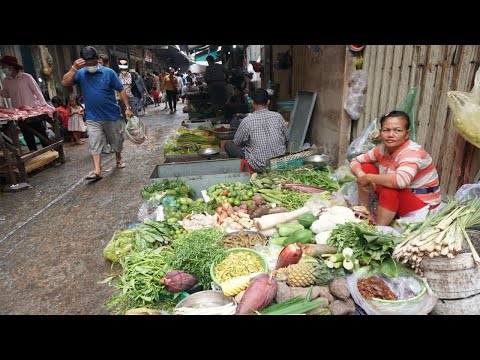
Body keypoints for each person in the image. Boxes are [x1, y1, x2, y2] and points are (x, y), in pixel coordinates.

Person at [350, 110, 441, 226]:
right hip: (403, 195)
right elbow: (355, 161)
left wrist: (368, 178)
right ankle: (364, 211)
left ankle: (378, 229)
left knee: (390, 188)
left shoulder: (412, 152)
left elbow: (401, 181)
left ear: (407, 134)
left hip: (422, 204)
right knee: (365, 167)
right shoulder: (382, 149)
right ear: (380, 132)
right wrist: (362, 175)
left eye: (397, 130)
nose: (390, 135)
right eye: (386, 130)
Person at [61, 46, 133, 181]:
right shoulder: (80, 73)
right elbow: (65, 82)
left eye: (93, 62)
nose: (91, 66)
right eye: (87, 63)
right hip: (92, 117)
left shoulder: (109, 72)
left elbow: (121, 90)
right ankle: (97, 170)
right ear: (82, 62)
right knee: (94, 142)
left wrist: (127, 107)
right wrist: (74, 68)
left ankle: (118, 158)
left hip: (111, 115)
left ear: (97, 59)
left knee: (117, 140)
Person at [224, 88, 288, 173]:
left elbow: (236, 143)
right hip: (278, 164)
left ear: (252, 102)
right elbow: (287, 139)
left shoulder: (247, 121)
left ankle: (244, 169)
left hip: (258, 166)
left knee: (228, 145)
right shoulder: (278, 116)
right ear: (268, 102)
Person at [0, 55, 51, 151]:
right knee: (27, 135)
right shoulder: (6, 80)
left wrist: (44, 106)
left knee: (40, 132)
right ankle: (34, 155)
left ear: (11, 66)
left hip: (32, 111)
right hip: (19, 113)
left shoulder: (26, 77)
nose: (2, 69)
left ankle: (49, 152)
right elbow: (7, 94)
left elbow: (37, 92)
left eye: (3, 66)